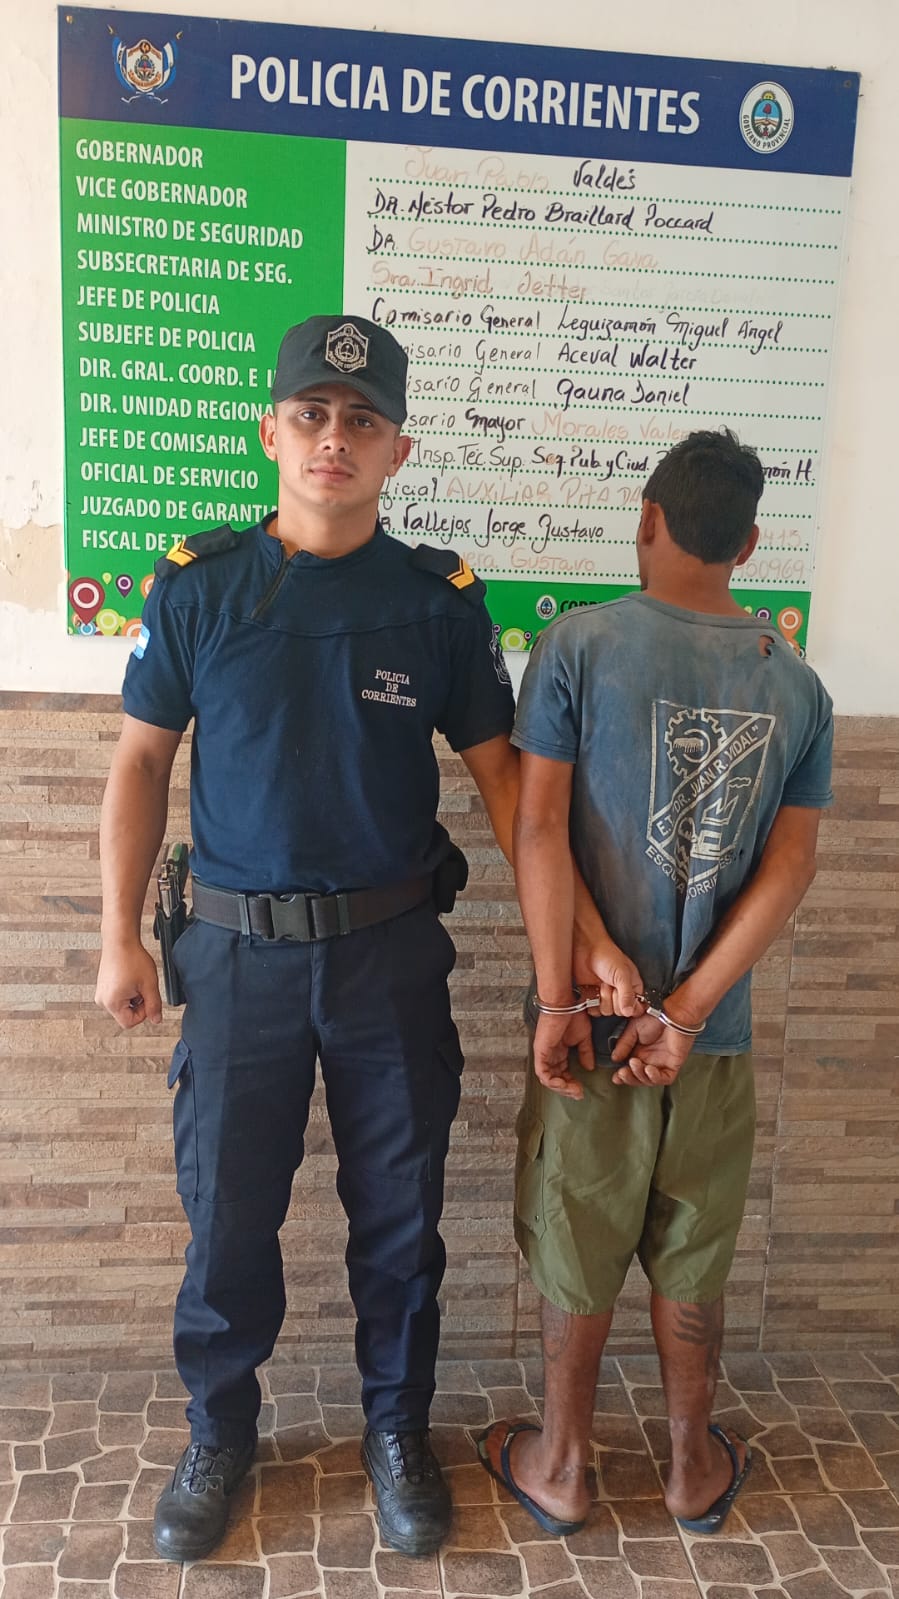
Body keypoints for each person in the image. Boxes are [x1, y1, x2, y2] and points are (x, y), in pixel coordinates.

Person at [94, 314, 522, 1561]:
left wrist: (569, 942)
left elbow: (507, 786)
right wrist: (120, 937)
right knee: (228, 1218)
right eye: (313, 415)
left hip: (389, 956)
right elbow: (139, 764)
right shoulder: (200, 585)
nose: (335, 437)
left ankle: (397, 1431)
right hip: (234, 961)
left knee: (399, 1218)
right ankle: (218, 1433)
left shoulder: (435, 604)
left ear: (397, 450)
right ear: (271, 431)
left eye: (362, 420)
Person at [478, 429, 833, 1539]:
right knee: (694, 1246)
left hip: (590, 1027)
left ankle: (562, 1467)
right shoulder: (799, 685)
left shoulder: (576, 646)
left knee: (576, 1237)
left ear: (645, 518)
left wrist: (558, 996)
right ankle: (689, 1468)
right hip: (707, 1040)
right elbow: (789, 867)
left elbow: (538, 829)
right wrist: (686, 1011)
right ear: (750, 544)